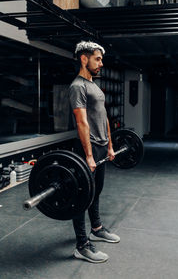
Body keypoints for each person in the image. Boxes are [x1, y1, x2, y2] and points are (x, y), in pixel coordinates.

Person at [68, 41, 120, 263]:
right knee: (81, 196)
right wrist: (88, 155)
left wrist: (108, 145)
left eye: (100, 59)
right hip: (85, 148)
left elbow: (104, 116)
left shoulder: (95, 86)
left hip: (100, 146)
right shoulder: (77, 86)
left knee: (96, 190)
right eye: (97, 59)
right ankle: (81, 244)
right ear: (84, 58)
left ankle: (96, 228)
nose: (101, 63)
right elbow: (82, 122)